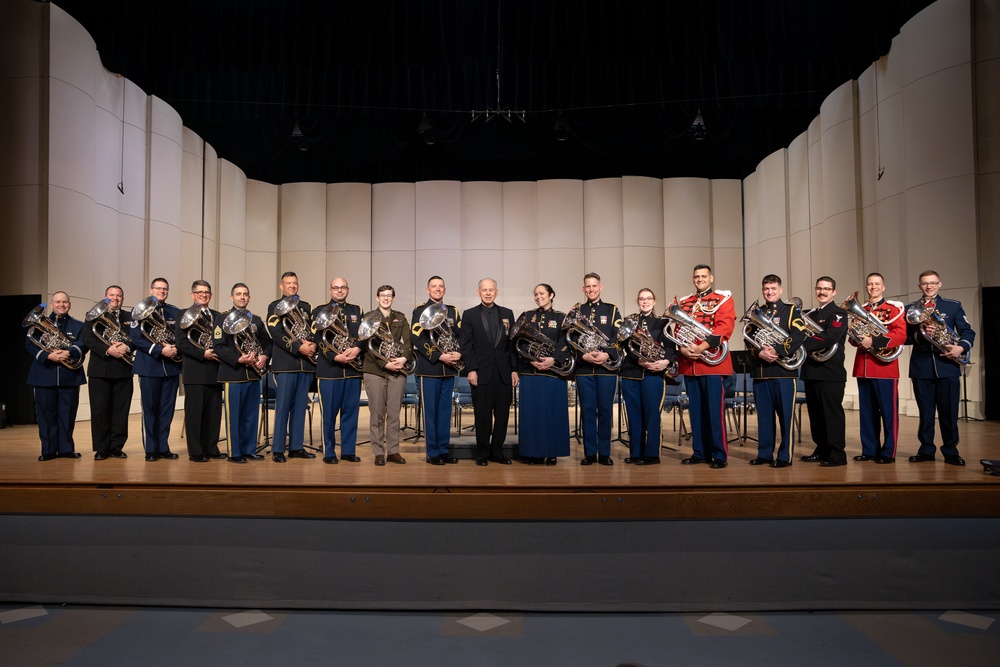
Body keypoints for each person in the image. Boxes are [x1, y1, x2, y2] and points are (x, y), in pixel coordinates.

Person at [906, 270, 975, 466]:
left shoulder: (953, 306)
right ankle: (926, 449)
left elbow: (967, 331)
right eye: (925, 284)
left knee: (949, 412)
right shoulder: (910, 308)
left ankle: (951, 450)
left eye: (933, 283)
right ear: (919, 286)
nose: (929, 287)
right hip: (922, 368)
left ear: (940, 284)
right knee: (925, 413)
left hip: (948, 367)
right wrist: (921, 335)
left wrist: (960, 347)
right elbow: (905, 338)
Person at [675, 264, 735, 469]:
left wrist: (702, 347)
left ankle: (719, 454)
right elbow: (677, 329)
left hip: (713, 363)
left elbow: (725, 327)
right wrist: (682, 349)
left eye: (703, 276)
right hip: (690, 363)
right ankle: (699, 452)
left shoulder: (722, 299)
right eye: (696, 276)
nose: (700, 279)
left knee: (714, 412)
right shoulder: (685, 302)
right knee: (696, 411)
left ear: (711, 278)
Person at [747, 274, 806, 468]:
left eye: (773, 288)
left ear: (780, 290)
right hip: (761, 372)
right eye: (766, 289)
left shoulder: (790, 311)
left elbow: (799, 335)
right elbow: (749, 339)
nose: (769, 292)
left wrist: (778, 350)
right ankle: (764, 454)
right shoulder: (757, 312)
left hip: (783, 373)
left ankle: (784, 456)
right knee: (764, 417)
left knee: (785, 418)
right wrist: (759, 353)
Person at [459, 278, 518, 466]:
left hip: (503, 372)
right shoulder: (469, 315)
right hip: (480, 372)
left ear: (496, 292)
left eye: (491, 290)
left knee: (502, 415)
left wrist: (514, 370)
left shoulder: (508, 313)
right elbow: (466, 346)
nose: (488, 293)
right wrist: (471, 370)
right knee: (482, 415)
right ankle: (482, 452)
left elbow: (512, 345)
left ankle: (497, 452)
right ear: (478, 292)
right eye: (484, 290)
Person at [850, 272, 907, 464]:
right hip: (863, 367)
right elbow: (852, 339)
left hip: (885, 368)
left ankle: (888, 452)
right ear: (866, 287)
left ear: (883, 287)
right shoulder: (862, 309)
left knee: (888, 414)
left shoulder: (893, 309)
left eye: (877, 284)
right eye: (870, 284)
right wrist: (857, 333)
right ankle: (869, 450)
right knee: (867, 413)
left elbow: (900, 335)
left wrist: (873, 340)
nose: (873, 287)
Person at [514, 283, 573, 465]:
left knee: (553, 413)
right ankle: (533, 452)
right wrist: (530, 358)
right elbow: (518, 341)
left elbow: (566, 342)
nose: (538, 297)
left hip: (553, 372)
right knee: (532, 414)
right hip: (530, 372)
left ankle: (553, 451)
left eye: (542, 293)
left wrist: (553, 359)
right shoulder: (527, 316)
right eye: (536, 294)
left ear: (551, 295)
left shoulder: (561, 317)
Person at [25, 292, 87, 461]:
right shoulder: (38, 326)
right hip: (44, 374)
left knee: (67, 415)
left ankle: (67, 449)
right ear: (51, 305)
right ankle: (48, 450)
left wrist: (69, 351)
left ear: (69, 304)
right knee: (46, 415)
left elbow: (83, 343)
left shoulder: (78, 325)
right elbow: (30, 343)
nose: (61, 305)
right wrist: (48, 356)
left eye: (65, 302)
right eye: (58, 302)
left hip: (69, 375)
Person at [214, 283, 271, 463]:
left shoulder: (256, 320)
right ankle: (234, 452)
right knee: (234, 416)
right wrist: (238, 359)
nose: (242, 297)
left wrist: (265, 356)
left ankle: (249, 449)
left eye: (245, 294)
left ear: (249, 298)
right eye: (238, 294)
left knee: (251, 415)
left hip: (253, 374)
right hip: (233, 373)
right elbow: (219, 347)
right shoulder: (222, 319)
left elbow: (268, 343)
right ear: (231, 297)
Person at [619, 289, 676, 465]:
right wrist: (641, 360)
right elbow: (625, 345)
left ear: (654, 301)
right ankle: (636, 452)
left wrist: (665, 362)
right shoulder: (630, 320)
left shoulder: (663, 322)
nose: (645, 302)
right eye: (642, 299)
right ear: (638, 301)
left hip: (655, 374)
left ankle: (652, 454)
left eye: (648, 298)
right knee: (634, 415)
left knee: (652, 415)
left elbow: (670, 347)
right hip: (632, 373)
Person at [572, 272, 623, 466]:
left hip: (606, 368)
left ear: (600, 287)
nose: (591, 289)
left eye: (594, 286)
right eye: (588, 287)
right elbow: (571, 338)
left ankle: (605, 453)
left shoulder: (612, 310)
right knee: (587, 411)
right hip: (584, 368)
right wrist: (581, 355)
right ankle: (589, 453)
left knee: (605, 411)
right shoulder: (577, 311)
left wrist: (607, 354)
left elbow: (619, 337)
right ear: (583, 289)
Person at [266, 271, 317, 462]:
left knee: (299, 407)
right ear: (281, 286)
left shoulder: (306, 307)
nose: (292, 286)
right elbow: (276, 332)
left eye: (295, 283)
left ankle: (296, 446)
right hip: (286, 364)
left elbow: (313, 330)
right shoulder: (274, 306)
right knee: (283, 408)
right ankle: (278, 448)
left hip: (306, 365)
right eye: (288, 283)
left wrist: (313, 344)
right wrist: (298, 347)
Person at [799, 276, 850, 467]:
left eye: (827, 289)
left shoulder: (838, 313)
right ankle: (821, 449)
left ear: (834, 292)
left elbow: (830, 337)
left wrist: (801, 345)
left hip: (831, 372)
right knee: (816, 414)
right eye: (819, 288)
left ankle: (837, 454)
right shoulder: (811, 314)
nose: (822, 292)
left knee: (831, 415)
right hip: (812, 370)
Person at [411, 276, 462, 465]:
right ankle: (432, 453)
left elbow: (460, 335)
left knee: (444, 412)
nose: (437, 289)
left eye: (441, 286)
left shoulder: (453, 311)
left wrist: (458, 352)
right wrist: (439, 356)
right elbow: (417, 339)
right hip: (429, 369)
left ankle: (443, 450)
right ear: (427, 290)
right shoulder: (419, 311)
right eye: (434, 286)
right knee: (430, 413)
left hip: (448, 370)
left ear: (445, 290)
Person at [130, 277, 182, 461]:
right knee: (150, 410)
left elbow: (179, 336)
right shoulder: (139, 311)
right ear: (151, 290)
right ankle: (151, 449)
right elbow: (136, 338)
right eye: (158, 288)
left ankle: (163, 447)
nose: (162, 291)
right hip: (149, 367)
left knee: (167, 410)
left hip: (171, 368)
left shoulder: (175, 311)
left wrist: (175, 348)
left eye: (165, 289)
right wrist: (160, 350)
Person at [362, 284, 414, 466]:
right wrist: (385, 363)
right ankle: (378, 452)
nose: (386, 298)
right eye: (382, 295)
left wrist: (403, 359)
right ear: (377, 298)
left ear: (393, 298)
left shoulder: (400, 317)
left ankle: (393, 451)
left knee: (394, 414)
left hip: (398, 370)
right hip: (375, 371)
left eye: (389, 295)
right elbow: (366, 346)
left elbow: (408, 342)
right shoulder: (368, 318)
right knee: (376, 414)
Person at [175, 280, 225, 462]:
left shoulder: (217, 315)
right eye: (199, 292)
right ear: (192, 294)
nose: (203, 295)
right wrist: (203, 353)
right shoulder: (183, 314)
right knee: (195, 414)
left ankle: (211, 448)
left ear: (210, 295)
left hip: (215, 370)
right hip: (195, 371)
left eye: (206, 292)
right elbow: (181, 343)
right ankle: (196, 451)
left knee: (213, 414)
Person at [316, 277, 364, 464]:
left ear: (348, 289)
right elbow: (318, 338)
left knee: (351, 414)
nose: (339, 290)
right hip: (330, 370)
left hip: (352, 370)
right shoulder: (319, 311)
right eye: (336, 288)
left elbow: (364, 334)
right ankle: (329, 451)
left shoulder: (356, 311)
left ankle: (348, 451)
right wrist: (335, 356)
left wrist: (358, 348)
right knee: (328, 415)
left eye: (342, 287)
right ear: (330, 291)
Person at [82, 285, 134, 460]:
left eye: (119, 296)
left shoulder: (129, 317)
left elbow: (136, 338)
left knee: (121, 410)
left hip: (124, 370)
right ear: (105, 297)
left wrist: (127, 346)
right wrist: (107, 349)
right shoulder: (93, 315)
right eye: (112, 295)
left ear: (123, 299)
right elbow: (88, 338)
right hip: (100, 370)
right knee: (100, 411)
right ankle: (101, 448)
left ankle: (116, 446)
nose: (115, 298)